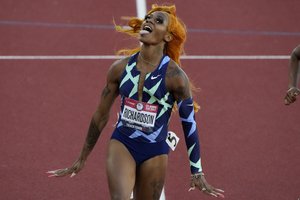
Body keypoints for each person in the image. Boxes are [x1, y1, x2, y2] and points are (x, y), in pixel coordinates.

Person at [47, 4, 224, 199]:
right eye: (148, 18)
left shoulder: (175, 78)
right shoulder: (120, 69)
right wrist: (82, 158)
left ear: (167, 36)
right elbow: (100, 115)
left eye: (158, 21)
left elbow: (189, 125)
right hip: (123, 143)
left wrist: (197, 171)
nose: (148, 20)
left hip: (155, 151)